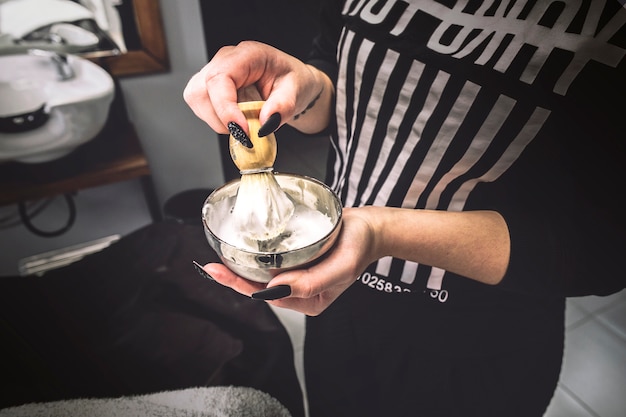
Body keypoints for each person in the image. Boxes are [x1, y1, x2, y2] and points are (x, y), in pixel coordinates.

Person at [184, 1, 626, 416]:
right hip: (340, 305)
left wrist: (381, 232)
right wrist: (307, 86)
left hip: (477, 337)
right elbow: (345, 88)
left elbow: (604, 244)